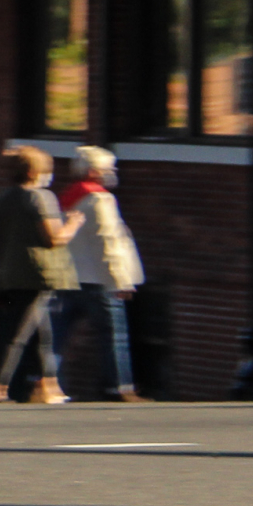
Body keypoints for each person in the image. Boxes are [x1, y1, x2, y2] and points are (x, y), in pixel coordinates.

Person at [0, 145, 79, 403]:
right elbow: (54, 238)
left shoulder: (2, 199)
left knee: (41, 333)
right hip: (37, 275)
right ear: (33, 171)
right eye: (47, 169)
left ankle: (47, 387)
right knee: (16, 336)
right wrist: (73, 223)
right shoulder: (41, 197)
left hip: (11, 276)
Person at [59, 146, 148, 402]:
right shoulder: (100, 199)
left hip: (69, 278)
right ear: (93, 171)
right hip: (99, 280)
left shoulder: (67, 198)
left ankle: (49, 384)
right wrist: (120, 280)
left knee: (59, 337)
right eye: (108, 168)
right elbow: (107, 242)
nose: (112, 173)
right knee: (113, 337)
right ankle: (120, 387)